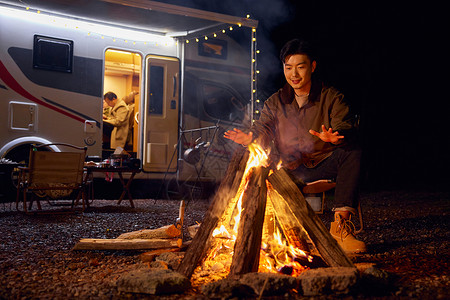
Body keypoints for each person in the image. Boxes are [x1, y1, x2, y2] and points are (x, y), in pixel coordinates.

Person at [224, 39, 366, 254]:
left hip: (323, 162)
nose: (294, 74)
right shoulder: (275, 102)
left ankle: (340, 227)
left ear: (313, 67)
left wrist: (336, 137)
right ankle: (266, 230)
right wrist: (250, 137)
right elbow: (263, 127)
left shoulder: (331, 97)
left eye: (300, 67)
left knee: (352, 152)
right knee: (261, 163)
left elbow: (343, 125)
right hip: (289, 168)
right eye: (288, 67)